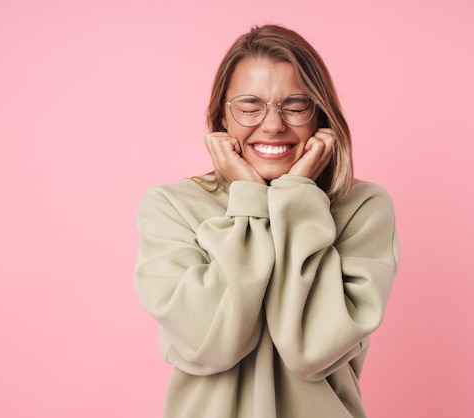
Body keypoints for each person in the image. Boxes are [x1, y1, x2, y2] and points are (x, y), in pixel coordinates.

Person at [134, 24, 400, 418]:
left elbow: (310, 349)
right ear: (222, 116)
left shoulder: (362, 208)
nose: (273, 124)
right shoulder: (172, 207)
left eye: (294, 105)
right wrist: (249, 199)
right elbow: (212, 343)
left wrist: (296, 196)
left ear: (320, 115)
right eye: (249, 106)